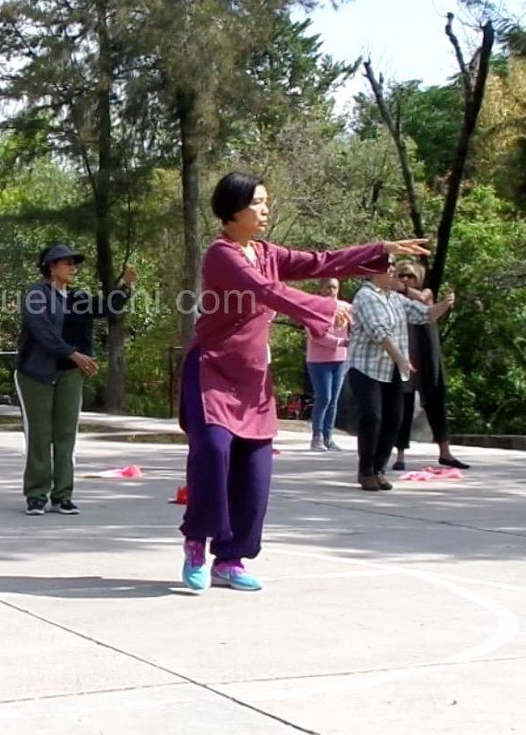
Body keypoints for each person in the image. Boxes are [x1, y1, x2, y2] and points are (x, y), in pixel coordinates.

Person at [179, 172, 424, 593]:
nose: (265, 208)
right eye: (257, 202)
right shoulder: (221, 254)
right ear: (233, 209)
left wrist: (379, 250)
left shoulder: (267, 251)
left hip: (253, 378)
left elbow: (319, 261)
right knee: (214, 453)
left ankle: (232, 558)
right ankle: (197, 542)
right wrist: (325, 307)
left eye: (265, 201)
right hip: (212, 373)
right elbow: (266, 291)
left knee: (256, 470)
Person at [15, 244, 135, 516]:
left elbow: (104, 308)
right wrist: (72, 353)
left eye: (74, 263)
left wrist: (125, 289)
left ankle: (62, 496)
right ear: (51, 266)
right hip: (36, 374)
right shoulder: (36, 294)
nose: (73, 267)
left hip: (70, 374)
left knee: (66, 436)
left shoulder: (76, 296)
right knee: (40, 435)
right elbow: (42, 331)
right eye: (67, 262)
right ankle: (36, 494)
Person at [347, 261, 456, 492]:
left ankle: (379, 469)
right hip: (366, 369)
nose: (393, 271)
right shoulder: (366, 297)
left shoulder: (394, 298)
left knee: (394, 420)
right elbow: (379, 333)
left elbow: (425, 315)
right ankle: (366, 471)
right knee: (372, 418)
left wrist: (445, 305)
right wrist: (401, 358)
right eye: (388, 267)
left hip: (392, 369)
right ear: (373, 273)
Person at [391, 261, 471, 471]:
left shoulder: (425, 293)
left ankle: (445, 452)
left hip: (427, 355)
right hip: (406, 357)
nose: (405, 279)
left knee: (436, 404)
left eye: (410, 276)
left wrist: (405, 289)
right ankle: (399, 455)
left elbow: (425, 299)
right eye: (402, 276)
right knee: (403, 408)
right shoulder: (394, 299)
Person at [305, 277, 351, 452]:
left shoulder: (345, 307)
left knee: (334, 400)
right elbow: (315, 334)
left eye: (335, 287)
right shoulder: (313, 307)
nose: (332, 290)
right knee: (324, 397)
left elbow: (360, 322)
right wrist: (341, 341)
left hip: (339, 360)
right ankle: (316, 436)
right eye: (328, 287)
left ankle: (328, 437)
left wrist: (349, 321)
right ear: (322, 289)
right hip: (318, 360)